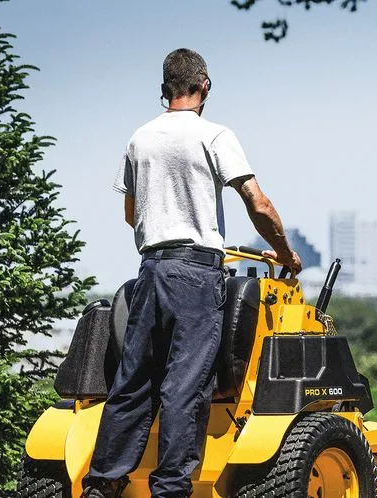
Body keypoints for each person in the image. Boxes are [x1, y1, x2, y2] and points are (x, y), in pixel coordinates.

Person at [82, 48, 302, 498]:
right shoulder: (215, 135)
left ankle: (102, 484)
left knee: (134, 382)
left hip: (151, 270)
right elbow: (257, 203)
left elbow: (131, 213)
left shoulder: (139, 139)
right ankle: (171, 489)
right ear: (204, 87)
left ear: (164, 90)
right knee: (186, 384)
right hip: (196, 274)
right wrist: (285, 254)